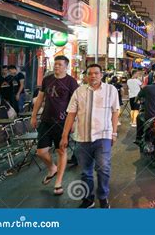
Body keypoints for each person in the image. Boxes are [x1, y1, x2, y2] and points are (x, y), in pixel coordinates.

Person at [60, 64, 119, 208]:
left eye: (96, 73)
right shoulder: (79, 92)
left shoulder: (111, 90)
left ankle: (103, 197)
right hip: (82, 137)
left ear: (101, 74)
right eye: (90, 73)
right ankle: (88, 199)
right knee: (85, 172)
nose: (93, 76)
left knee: (103, 168)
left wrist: (114, 132)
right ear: (86, 76)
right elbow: (71, 114)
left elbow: (115, 111)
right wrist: (64, 135)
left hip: (103, 135)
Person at [30, 55, 78, 196]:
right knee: (41, 152)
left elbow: (76, 104)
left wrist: (74, 121)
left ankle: (58, 183)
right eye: (55, 64)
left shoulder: (71, 82)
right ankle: (52, 167)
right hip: (46, 120)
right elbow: (40, 98)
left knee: (61, 151)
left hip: (63, 122)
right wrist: (34, 115)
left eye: (60, 64)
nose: (56, 66)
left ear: (66, 66)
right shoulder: (47, 80)